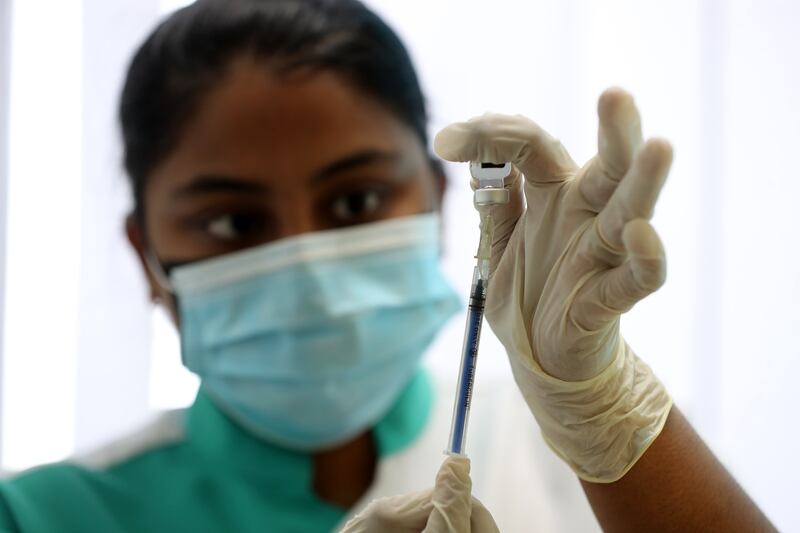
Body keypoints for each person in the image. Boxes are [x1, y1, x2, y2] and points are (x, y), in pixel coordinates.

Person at [0, 0, 776, 531]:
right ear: (146, 253)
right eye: (235, 220)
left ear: (440, 200)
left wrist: (608, 414)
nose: (308, 267)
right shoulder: (40, 516)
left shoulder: (579, 463)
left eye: (355, 201)